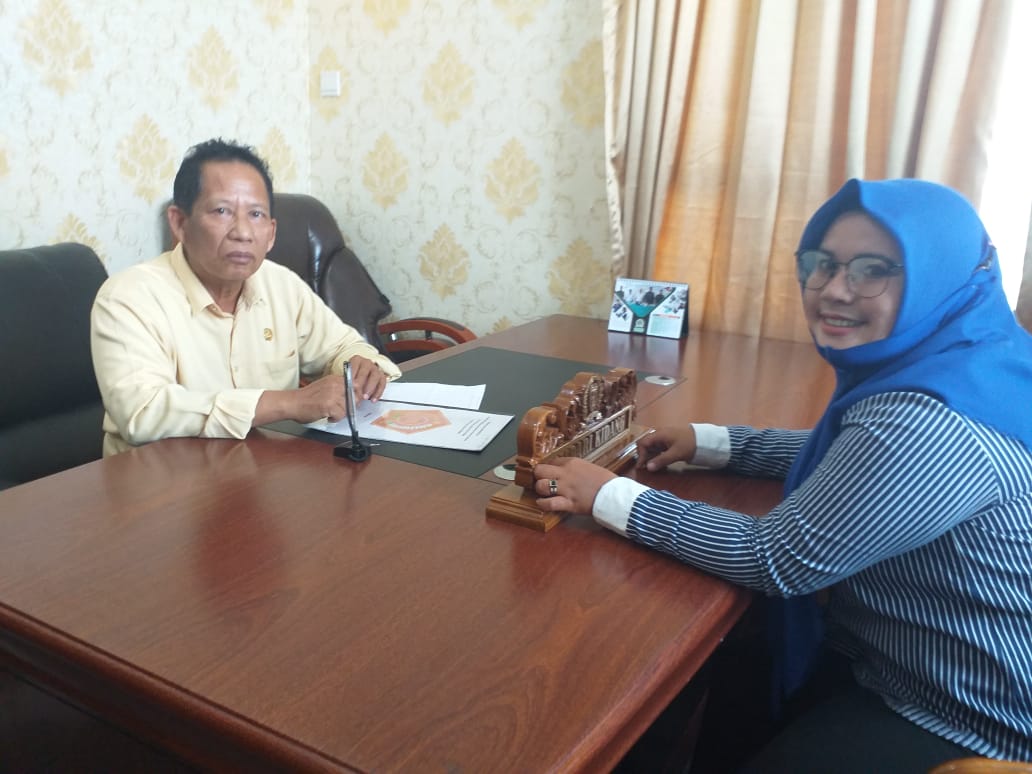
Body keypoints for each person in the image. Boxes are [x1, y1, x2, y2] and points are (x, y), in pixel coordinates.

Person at [533, 178, 1032, 770]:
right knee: (725, 675)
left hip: (965, 713)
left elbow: (777, 558)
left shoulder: (924, 423)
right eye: (823, 263)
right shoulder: (976, 357)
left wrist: (610, 495)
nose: (834, 290)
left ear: (943, 274)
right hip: (898, 651)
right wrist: (717, 444)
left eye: (873, 270)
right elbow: (850, 457)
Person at [91, 138, 401, 456]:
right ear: (180, 223)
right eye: (222, 211)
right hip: (160, 479)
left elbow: (342, 347)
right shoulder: (128, 297)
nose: (242, 232)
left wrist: (362, 366)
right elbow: (143, 412)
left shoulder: (281, 284)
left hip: (262, 470)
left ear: (271, 233)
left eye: (256, 214)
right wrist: (288, 403)